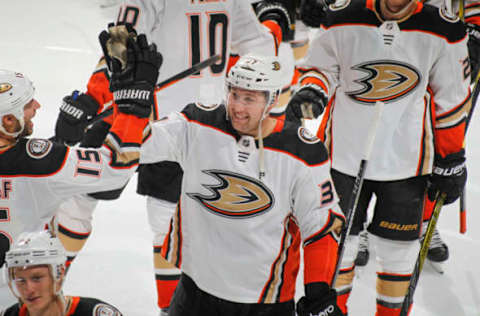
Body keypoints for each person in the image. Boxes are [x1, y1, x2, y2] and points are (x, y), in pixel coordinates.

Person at [53, 1, 296, 314]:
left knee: (161, 219)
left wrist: (94, 94)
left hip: (168, 120)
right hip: (180, 120)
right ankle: (47, 289)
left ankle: (170, 309)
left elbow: (119, 41)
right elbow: (259, 45)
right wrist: (273, 24)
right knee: (94, 198)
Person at [287, 0, 469, 314]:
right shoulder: (343, 15)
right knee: (338, 247)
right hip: (342, 156)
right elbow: (318, 68)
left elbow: (451, 97)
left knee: (400, 254)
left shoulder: (443, 26)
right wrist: (313, 89)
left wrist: (450, 156)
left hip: (407, 162)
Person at [139, 54, 345, 316]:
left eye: (249, 99)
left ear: (270, 100)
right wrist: (132, 108)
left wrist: (318, 293)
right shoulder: (198, 124)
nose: (237, 107)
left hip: (263, 303)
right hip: (194, 292)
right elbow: (141, 146)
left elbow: (322, 225)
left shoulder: (303, 153)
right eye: (234, 95)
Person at [0, 26, 162, 307]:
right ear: (8, 121)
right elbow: (114, 166)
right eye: (27, 105)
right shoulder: (39, 163)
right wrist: (131, 111)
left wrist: (61, 140)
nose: (37, 105)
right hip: (21, 301)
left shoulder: (35, 162)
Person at [1, 230, 123, 316]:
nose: (29, 289)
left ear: (58, 274)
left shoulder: (94, 313)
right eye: (20, 280)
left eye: (37, 278)